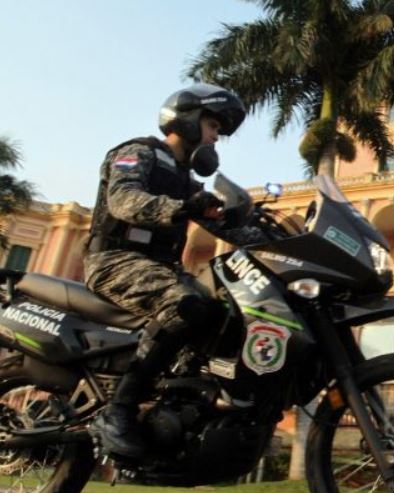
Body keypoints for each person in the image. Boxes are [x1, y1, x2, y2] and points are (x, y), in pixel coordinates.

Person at [85, 83, 261, 459]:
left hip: (161, 267)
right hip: (114, 261)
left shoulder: (186, 182)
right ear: (187, 119)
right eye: (213, 126)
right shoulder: (138, 152)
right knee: (185, 306)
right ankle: (118, 410)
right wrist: (182, 209)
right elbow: (124, 201)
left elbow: (226, 228)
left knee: (224, 311)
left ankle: (178, 397)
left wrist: (277, 239)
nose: (215, 137)